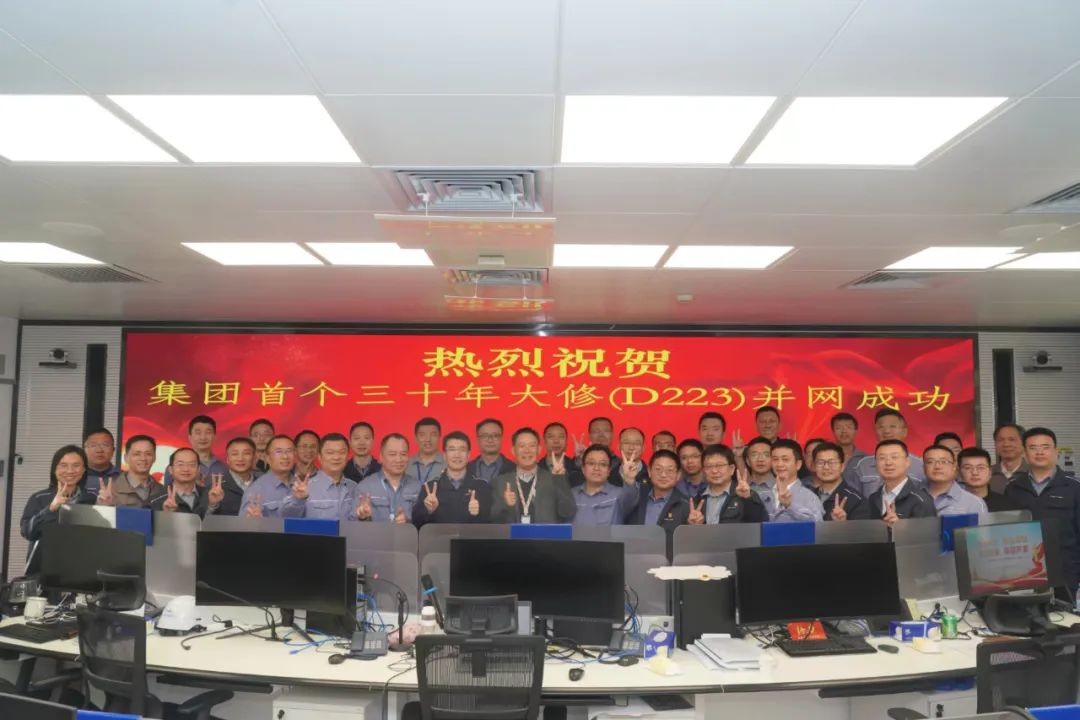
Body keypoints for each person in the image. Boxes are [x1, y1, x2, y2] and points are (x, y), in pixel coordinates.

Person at [1004, 427, 1080, 591]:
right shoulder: (1013, 488)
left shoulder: (1074, 488)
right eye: (1033, 448)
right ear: (1025, 454)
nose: (1039, 452)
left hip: (1066, 571)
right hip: (1024, 572)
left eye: (1045, 447)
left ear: (1056, 452)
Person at [21, 445, 97, 560]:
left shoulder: (91, 499)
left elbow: (98, 538)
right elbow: (28, 532)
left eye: (76, 465)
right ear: (55, 469)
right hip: (44, 566)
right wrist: (51, 508)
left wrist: (105, 506)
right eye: (63, 465)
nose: (70, 471)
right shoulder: (39, 498)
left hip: (81, 565)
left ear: (83, 470)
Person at [491, 427, 575, 524]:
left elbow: (568, 513)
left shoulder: (552, 479)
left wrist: (560, 479)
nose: (527, 450)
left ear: (539, 449)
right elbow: (494, 519)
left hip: (544, 534)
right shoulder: (501, 482)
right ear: (513, 450)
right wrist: (506, 504)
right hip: (513, 534)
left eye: (532, 445)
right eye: (522, 446)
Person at [413, 431, 491, 526]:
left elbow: (492, 525)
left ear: (468, 455)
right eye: (452, 449)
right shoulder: (429, 488)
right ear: (444, 455)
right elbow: (417, 525)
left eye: (462, 449)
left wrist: (478, 513)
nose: (457, 455)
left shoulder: (482, 487)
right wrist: (429, 511)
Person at [844, 408, 926, 497]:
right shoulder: (863, 465)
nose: (887, 431)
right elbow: (853, 497)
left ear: (904, 431)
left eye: (892, 426)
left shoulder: (920, 466)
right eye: (881, 427)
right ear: (875, 431)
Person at [282, 433, 357, 521]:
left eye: (341, 452)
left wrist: (363, 517)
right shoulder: (303, 487)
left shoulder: (354, 487)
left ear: (347, 456)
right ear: (319, 457)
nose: (336, 457)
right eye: (330, 453)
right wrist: (298, 500)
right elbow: (286, 519)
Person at [627, 450, 691, 550]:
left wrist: (695, 527)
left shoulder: (687, 505)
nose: (663, 475)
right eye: (658, 469)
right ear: (649, 471)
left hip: (669, 559)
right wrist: (629, 480)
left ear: (678, 475)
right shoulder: (637, 496)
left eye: (669, 470)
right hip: (635, 555)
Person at [686, 444, 766, 524]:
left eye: (719, 465)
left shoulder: (747, 494)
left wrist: (747, 499)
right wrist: (693, 526)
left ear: (732, 469)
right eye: (709, 466)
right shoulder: (697, 499)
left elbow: (761, 523)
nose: (714, 471)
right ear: (704, 470)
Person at [868, 439, 936, 526]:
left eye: (894, 457)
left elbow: (928, 533)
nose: (888, 462)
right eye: (882, 458)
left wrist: (900, 529)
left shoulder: (921, 500)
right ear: (876, 463)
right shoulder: (873, 498)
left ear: (907, 462)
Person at [356, 433, 420, 523]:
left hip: (406, 532)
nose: (399, 459)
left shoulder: (417, 487)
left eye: (403, 454)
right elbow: (353, 525)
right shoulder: (365, 487)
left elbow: (423, 523)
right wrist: (363, 517)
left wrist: (408, 521)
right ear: (381, 457)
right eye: (392, 454)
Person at [572, 444, 641, 526]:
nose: (596, 468)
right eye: (591, 463)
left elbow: (631, 499)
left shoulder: (619, 495)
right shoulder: (571, 495)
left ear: (609, 471)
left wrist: (629, 480)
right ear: (583, 469)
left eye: (603, 464)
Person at [96, 434, 166, 509]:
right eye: (137, 454)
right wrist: (103, 507)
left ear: (154, 458)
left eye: (148, 454)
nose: (143, 458)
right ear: (126, 458)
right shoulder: (109, 488)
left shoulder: (163, 491)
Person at [240, 435, 298, 518]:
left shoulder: (304, 486)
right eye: (278, 451)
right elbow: (243, 524)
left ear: (295, 456)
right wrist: (256, 523)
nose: (285, 456)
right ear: (267, 458)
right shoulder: (255, 490)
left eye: (289, 451)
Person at [923, 444, 987, 517]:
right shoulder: (913, 495)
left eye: (944, 462)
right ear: (924, 467)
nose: (937, 466)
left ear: (954, 466)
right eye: (930, 462)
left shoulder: (974, 503)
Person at [769, 439, 824, 522]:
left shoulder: (810, 497)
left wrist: (790, 506)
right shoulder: (764, 494)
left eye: (785, 459)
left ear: (798, 464)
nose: (779, 464)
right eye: (775, 459)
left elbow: (817, 525)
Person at [200, 437, 257, 517]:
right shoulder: (214, 485)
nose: (240, 458)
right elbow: (201, 520)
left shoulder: (263, 484)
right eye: (235, 454)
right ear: (227, 459)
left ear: (254, 458)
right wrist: (212, 505)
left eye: (246, 453)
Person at [812, 442, 870, 521]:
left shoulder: (857, 501)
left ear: (842, 467)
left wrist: (843, 524)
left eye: (832, 462)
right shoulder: (808, 497)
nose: (826, 467)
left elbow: (862, 529)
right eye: (820, 462)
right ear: (814, 466)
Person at [165, 415, 228, 486]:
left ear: (214, 437)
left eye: (208, 432)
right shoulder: (174, 468)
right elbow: (167, 492)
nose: (203, 437)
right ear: (190, 437)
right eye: (198, 433)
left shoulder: (224, 468)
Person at [958, 447, 1018, 512]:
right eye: (968, 468)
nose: (975, 472)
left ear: (990, 472)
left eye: (980, 468)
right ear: (959, 473)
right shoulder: (952, 505)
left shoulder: (1008, 505)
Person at [152, 448, 208, 515]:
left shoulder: (209, 495)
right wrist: (166, 514)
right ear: (170, 469)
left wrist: (213, 505)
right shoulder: (155, 499)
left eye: (192, 464)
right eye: (180, 464)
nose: (186, 469)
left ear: (198, 469)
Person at [467, 418, 512, 484]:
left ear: (501, 438)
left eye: (495, 435)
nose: (490, 440)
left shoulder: (514, 469)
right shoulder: (466, 469)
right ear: (478, 440)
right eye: (485, 436)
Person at [541, 421, 583, 487]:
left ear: (566, 441)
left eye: (561, 437)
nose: (556, 441)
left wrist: (580, 459)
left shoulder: (576, 467)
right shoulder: (536, 468)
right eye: (551, 437)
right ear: (544, 441)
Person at [990, 423, 1027, 493]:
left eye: (1011, 439)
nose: (1006, 444)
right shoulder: (986, 473)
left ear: (1024, 444)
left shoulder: (1034, 473)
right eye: (1000, 440)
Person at [409, 417, 446, 486]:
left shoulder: (448, 464)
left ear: (439, 436)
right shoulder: (405, 465)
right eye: (422, 435)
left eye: (433, 434)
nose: (428, 439)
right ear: (416, 437)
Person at [83, 428, 119, 495]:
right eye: (93, 445)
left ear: (113, 450)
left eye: (105, 445)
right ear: (85, 450)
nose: (99, 450)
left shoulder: (123, 478)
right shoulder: (76, 476)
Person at [743, 436, 776, 507]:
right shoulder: (741, 489)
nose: (760, 459)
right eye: (754, 455)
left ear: (773, 460)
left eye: (766, 455)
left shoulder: (784, 487)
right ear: (748, 461)